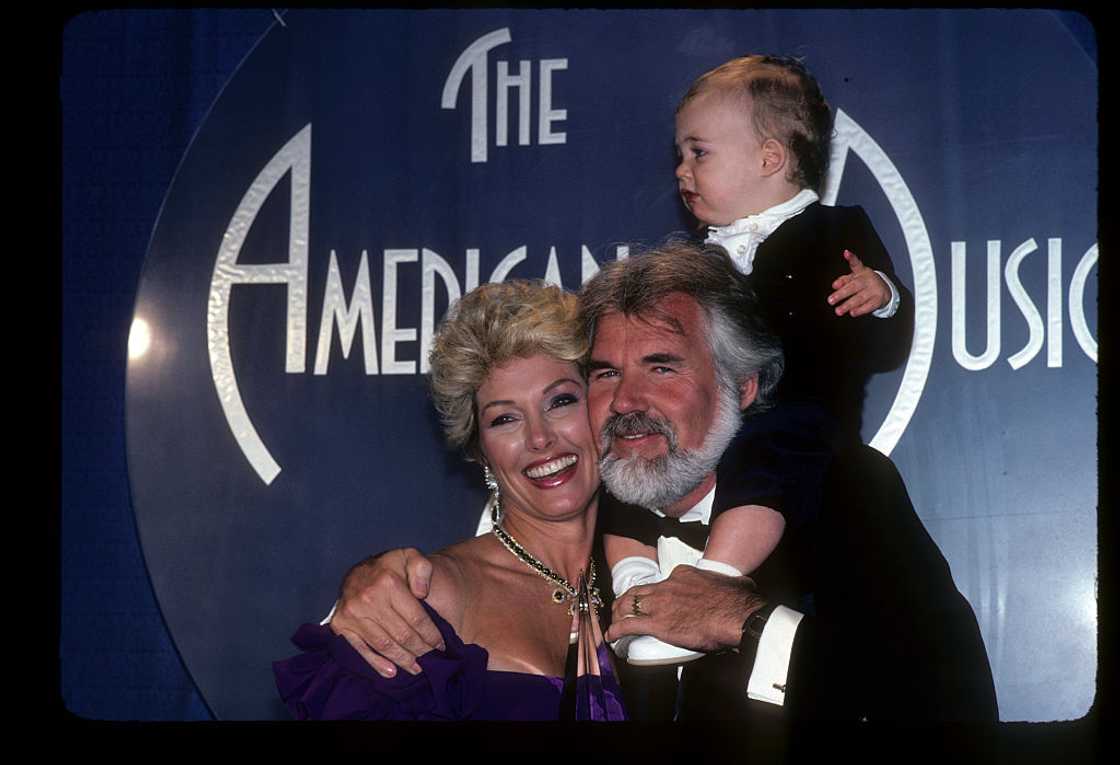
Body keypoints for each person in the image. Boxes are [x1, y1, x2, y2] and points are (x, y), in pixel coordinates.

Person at [330, 242, 997, 724]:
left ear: (742, 386)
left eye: (662, 366)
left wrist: (750, 624)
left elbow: (951, 708)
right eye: (602, 373)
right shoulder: (573, 540)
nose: (626, 400)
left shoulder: (844, 491)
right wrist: (370, 580)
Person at [602, 54, 918, 665]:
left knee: (768, 447)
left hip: (799, 424)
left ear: (770, 159)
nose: (681, 170)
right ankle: (638, 585)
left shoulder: (835, 229)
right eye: (681, 155)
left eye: (700, 153)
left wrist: (881, 295)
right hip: (722, 427)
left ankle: (711, 582)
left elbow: (886, 341)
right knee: (630, 441)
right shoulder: (698, 261)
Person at [273, 280, 625, 721]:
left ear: (601, 407)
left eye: (560, 401)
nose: (540, 438)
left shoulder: (655, 569)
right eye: (505, 419)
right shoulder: (428, 597)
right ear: (479, 450)